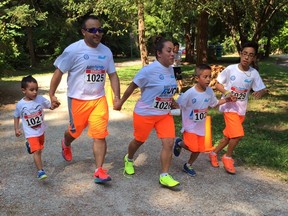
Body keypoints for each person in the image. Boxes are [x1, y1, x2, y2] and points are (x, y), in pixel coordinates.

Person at [49, 15, 120, 184]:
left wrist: (117, 97)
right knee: (75, 132)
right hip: (77, 99)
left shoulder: (106, 51)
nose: (97, 33)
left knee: (100, 135)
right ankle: (66, 142)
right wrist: (51, 94)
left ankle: (99, 171)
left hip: (98, 99)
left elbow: (113, 75)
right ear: (83, 32)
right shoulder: (73, 50)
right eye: (92, 30)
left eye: (100, 30)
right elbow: (59, 72)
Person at [114, 37, 180, 188]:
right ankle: (129, 159)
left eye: (173, 51)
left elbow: (169, 89)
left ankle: (164, 175)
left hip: (164, 114)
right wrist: (120, 102)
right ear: (159, 53)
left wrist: (172, 101)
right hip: (145, 113)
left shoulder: (173, 69)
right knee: (139, 141)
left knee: (169, 143)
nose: (172, 54)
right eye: (168, 51)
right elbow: (132, 87)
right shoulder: (148, 71)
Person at [208, 41, 267, 174]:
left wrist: (261, 92)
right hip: (229, 107)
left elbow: (263, 88)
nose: (246, 57)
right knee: (238, 134)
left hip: (241, 109)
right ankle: (227, 157)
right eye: (244, 54)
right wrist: (227, 93)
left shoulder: (253, 73)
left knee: (230, 136)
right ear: (240, 54)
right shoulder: (230, 69)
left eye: (250, 55)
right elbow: (217, 84)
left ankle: (213, 153)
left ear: (254, 58)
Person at [173, 64, 236, 176]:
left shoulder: (209, 92)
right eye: (205, 77)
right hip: (189, 126)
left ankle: (188, 164)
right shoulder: (189, 93)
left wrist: (227, 99)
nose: (208, 79)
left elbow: (214, 103)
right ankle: (180, 143)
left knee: (199, 149)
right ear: (197, 78)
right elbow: (178, 105)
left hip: (200, 127)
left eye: (209, 77)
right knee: (193, 148)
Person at [14, 75, 53, 180]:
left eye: (36, 89)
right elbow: (16, 116)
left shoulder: (40, 99)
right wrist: (16, 129)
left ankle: (30, 146)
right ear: (24, 90)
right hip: (30, 133)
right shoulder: (20, 104)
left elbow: (51, 106)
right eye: (31, 90)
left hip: (41, 131)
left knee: (40, 148)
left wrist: (55, 103)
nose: (35, 92)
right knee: (37, 151)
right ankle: (40, 171)